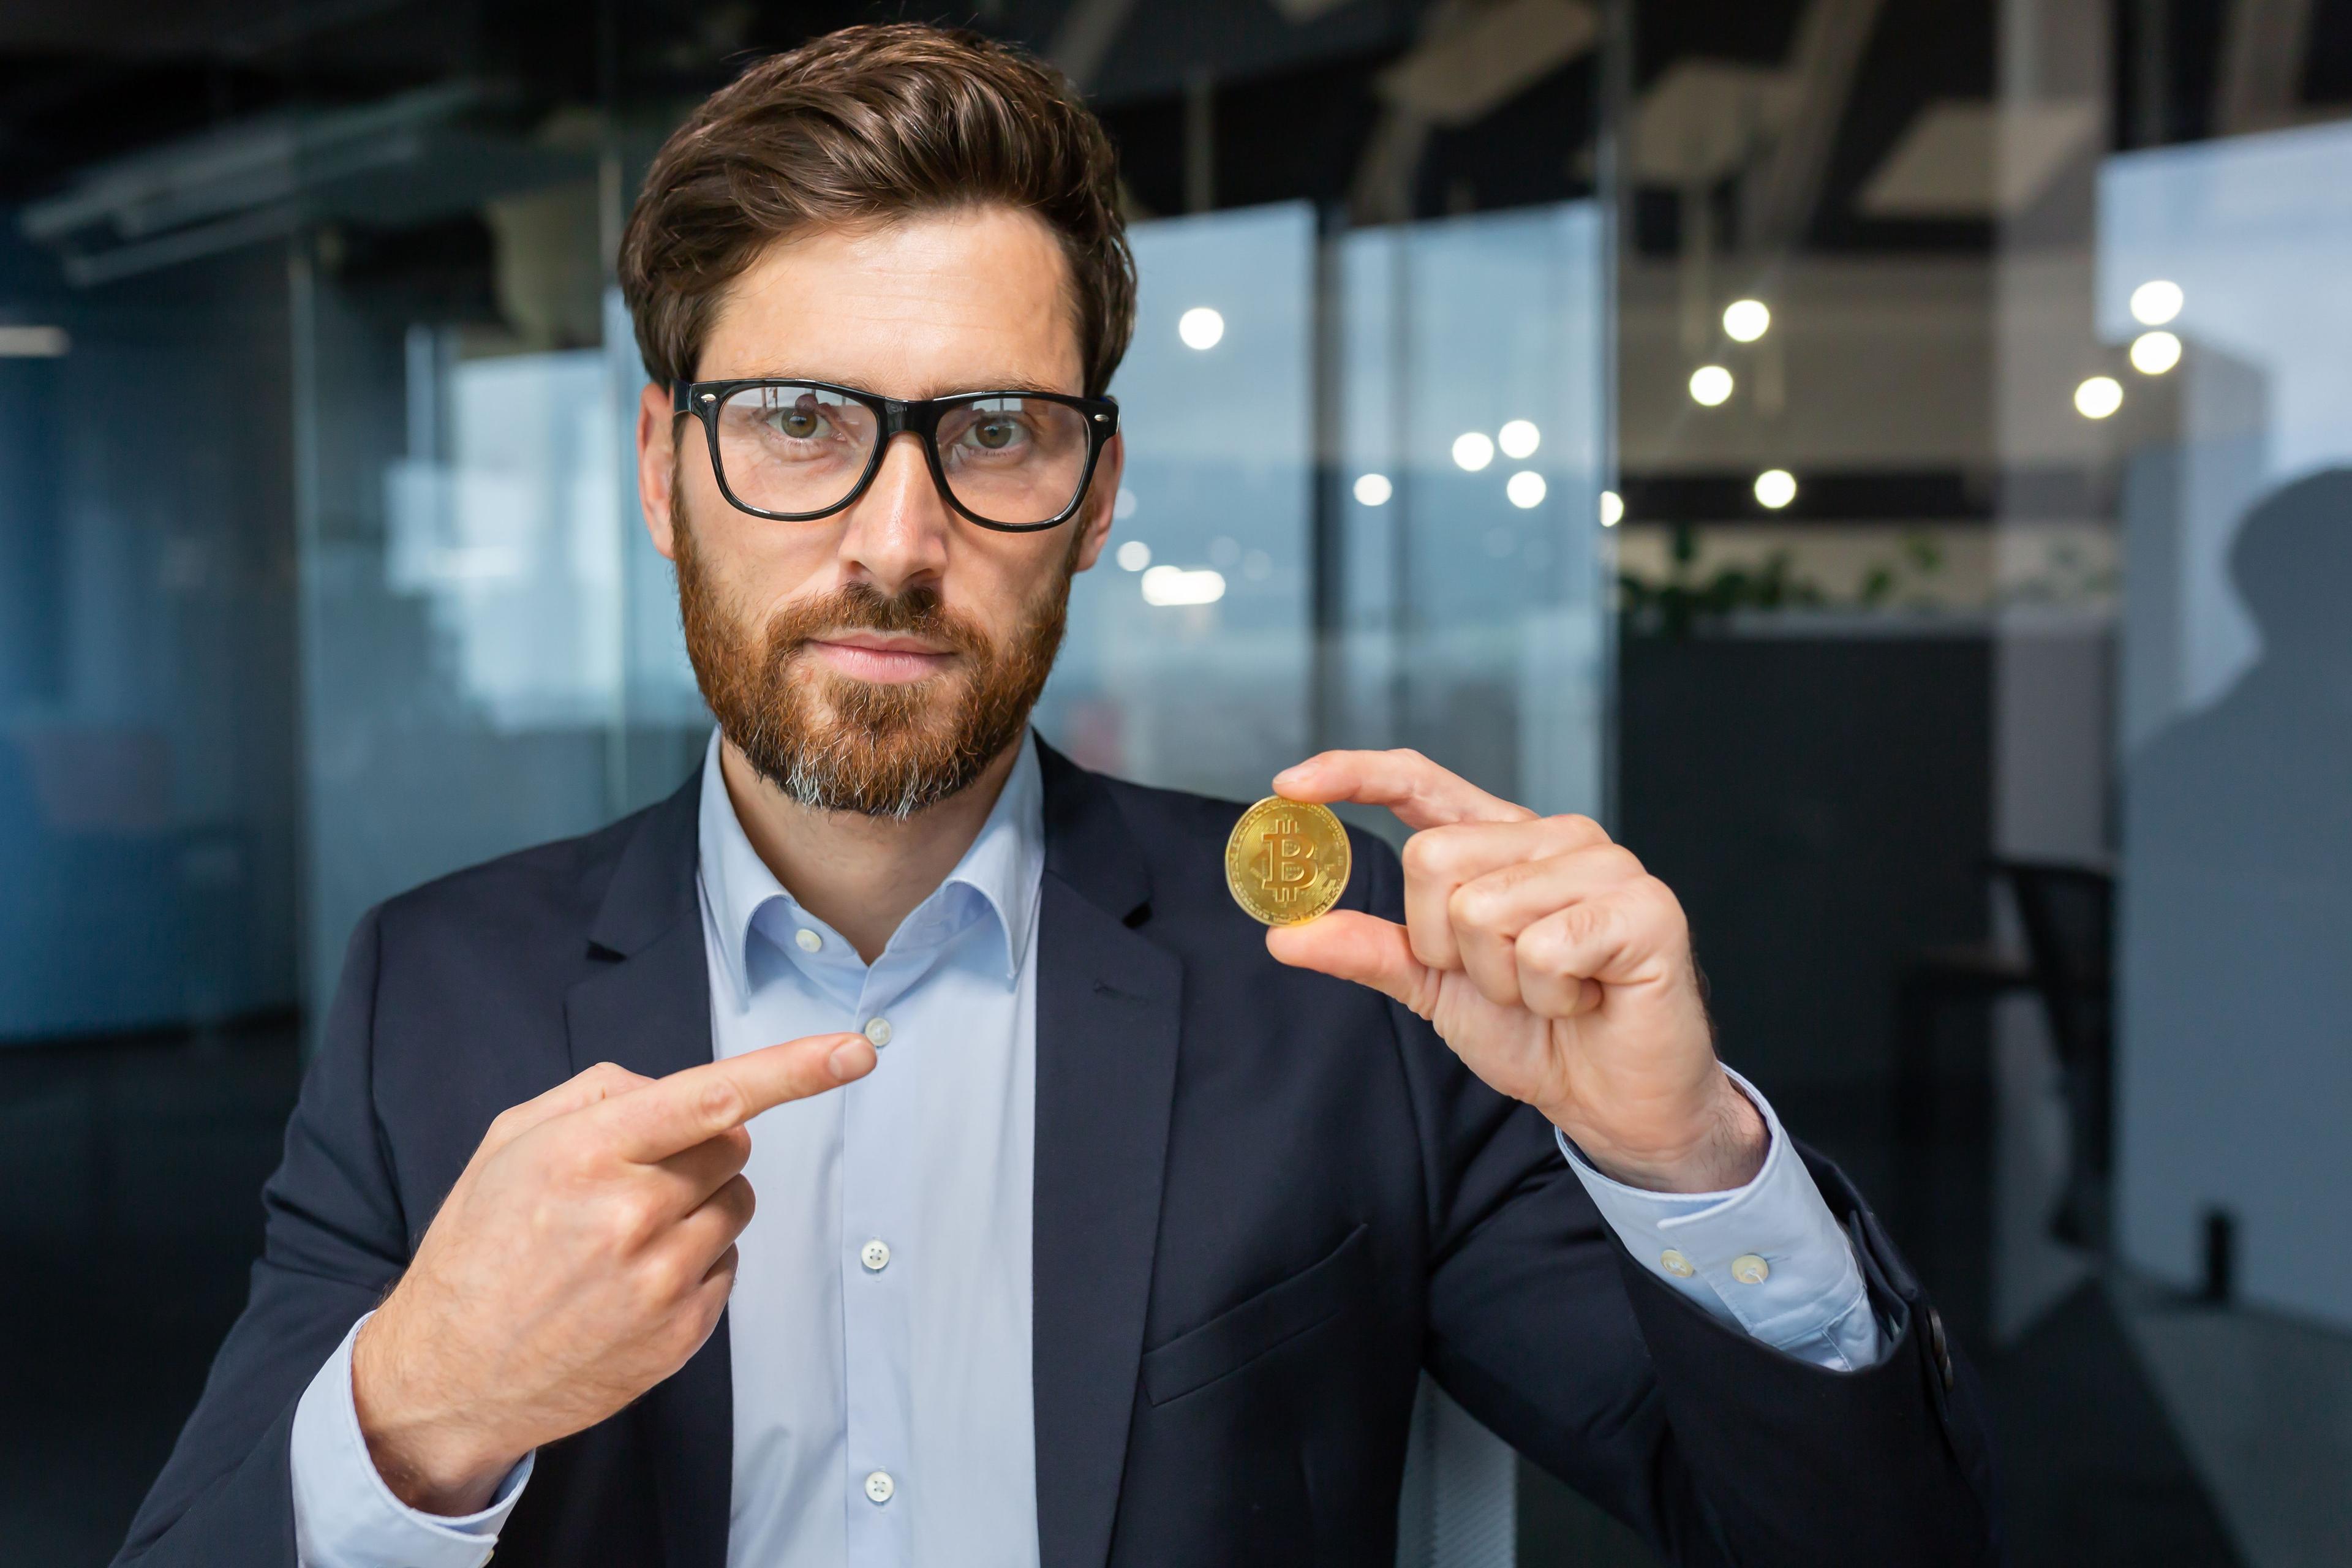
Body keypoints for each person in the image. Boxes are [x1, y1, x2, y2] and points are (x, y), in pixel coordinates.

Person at [116, 24, 1994, 1568]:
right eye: (796, 423)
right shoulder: (427, 995)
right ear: (661, 468)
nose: (897, 539)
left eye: (996, 430)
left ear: (1095, 497)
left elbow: (1872, 1548)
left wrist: (1684, 1165)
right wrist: (420, 1408)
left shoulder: (1344, 972)